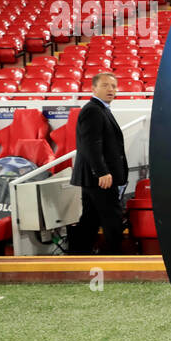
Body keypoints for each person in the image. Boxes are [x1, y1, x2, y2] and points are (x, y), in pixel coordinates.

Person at [68, 73, 128, 255]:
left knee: (90, 220)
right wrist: (101, 172)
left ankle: (78, 256)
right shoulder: (93, 110)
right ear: (93, 88)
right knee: (113, 220)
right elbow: (91, 144)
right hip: (101, 178)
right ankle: (114, 261)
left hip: (94, 178)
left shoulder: (100, 109)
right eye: (105, 85)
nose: (111, 89)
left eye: (114, 86)